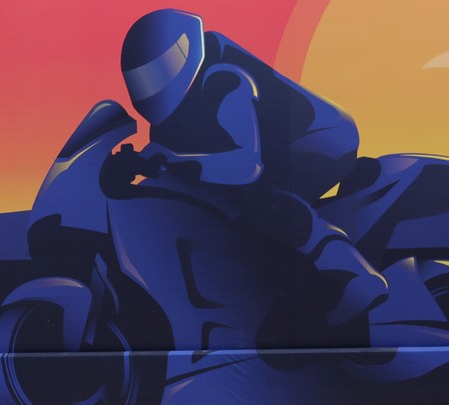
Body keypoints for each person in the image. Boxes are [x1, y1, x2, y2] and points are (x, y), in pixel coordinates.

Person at [120, 9, 388, 329]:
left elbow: (246, 167)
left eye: (159, 71)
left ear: (185, 51)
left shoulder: (225, 79)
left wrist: (173, 162)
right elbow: (163, 158)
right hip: (271, 154)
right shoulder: (169, 121)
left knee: (259, 201)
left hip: (321, 140)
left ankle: (351, 275)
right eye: (143, 79)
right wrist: (128, 168)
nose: (152, 85)